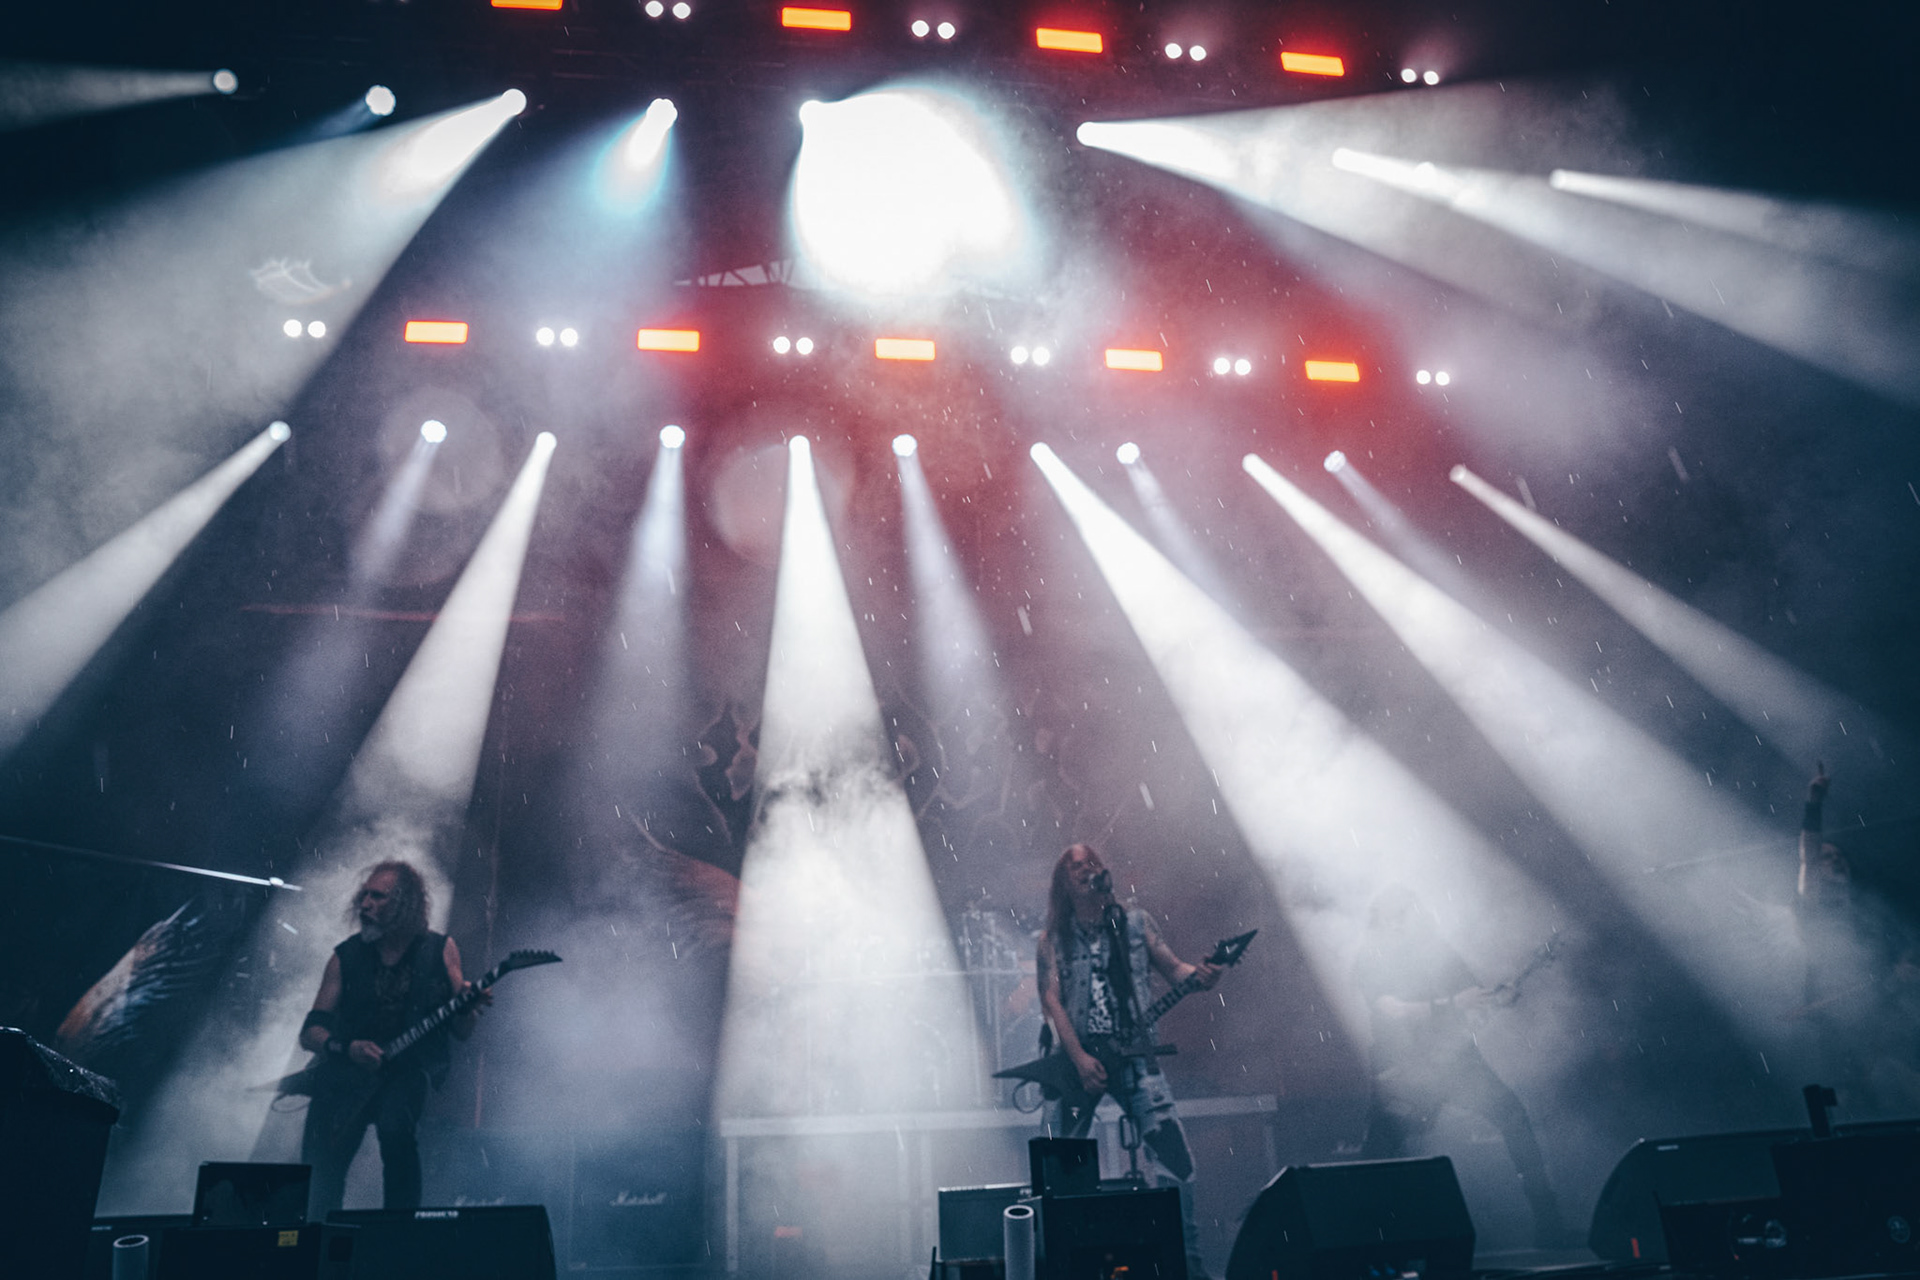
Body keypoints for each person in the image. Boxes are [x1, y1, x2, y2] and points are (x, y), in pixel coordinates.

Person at [1036, 844, 1221, 1279]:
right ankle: (1061, 1269)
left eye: (1093, 863)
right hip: (1079, 1065)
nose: (1088, 870)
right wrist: (1079, 1058)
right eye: (1077, 867)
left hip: (1137, 1058)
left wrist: (1204, 976)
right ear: (1064, 883)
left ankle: (1187, 1266)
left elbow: (1175, 969)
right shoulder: (1052, 940)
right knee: (1055, 1174)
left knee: (1178, 1166)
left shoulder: (1135, 925)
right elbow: (1052, 1000)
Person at [1353, 887, 1574, 1248]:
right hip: (1405, 1067)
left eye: (1409, 911)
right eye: (1397, 914)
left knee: (1514, 1117)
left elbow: (1474, 999)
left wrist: (1500, 997)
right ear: (1381, 920)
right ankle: (1359, 1238)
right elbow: (1390, 1009)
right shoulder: (1371, 959)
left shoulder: (1441, 955)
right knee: (1380, 1151)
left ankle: (1550, 1226)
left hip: (1457, 1061)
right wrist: (1452, 1003)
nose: (1405, 920)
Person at [297, 860, 484, 1216]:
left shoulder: (439, 950)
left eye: (377, 897)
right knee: (321, 1175)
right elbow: (311, 1032)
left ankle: (398, 1242)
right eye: (364, 895)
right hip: (343, 1078)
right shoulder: (345, 956)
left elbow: (463, 1032)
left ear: (405, 904)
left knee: (397, 1138)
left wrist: (466, 1007)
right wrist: (345, 1048)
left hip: (403, 1073)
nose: (364, 904)